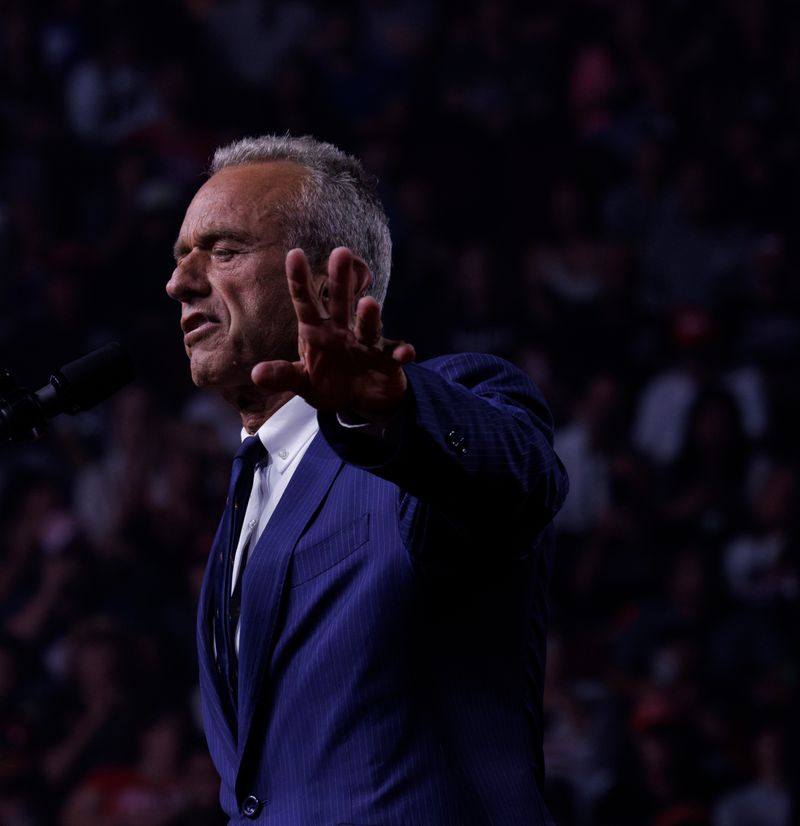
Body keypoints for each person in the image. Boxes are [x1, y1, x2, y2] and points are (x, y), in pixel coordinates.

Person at [164, 135, 567, 823]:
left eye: (224, 251)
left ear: (326, 278)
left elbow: (520, 479)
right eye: (181, 259)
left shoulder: (422, 421)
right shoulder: (247, 495)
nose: (181, 283)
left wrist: (387, 410)